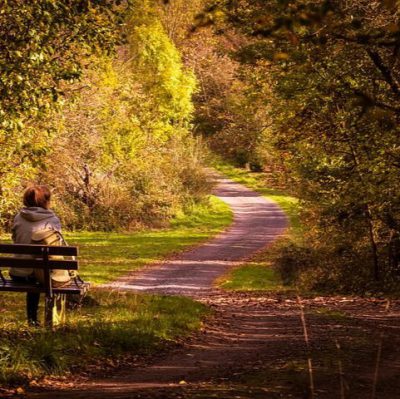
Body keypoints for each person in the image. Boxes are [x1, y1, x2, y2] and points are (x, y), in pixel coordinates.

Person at [10, 184, 62, 326]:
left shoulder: (18, 217)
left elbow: (15, 239)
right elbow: (57, 248)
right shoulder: (53, 219)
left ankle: (32, 320)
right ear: (46, 200)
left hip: (18, 274)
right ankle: (49, 319)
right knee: (46, 274)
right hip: (42, 275)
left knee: (35, 273)